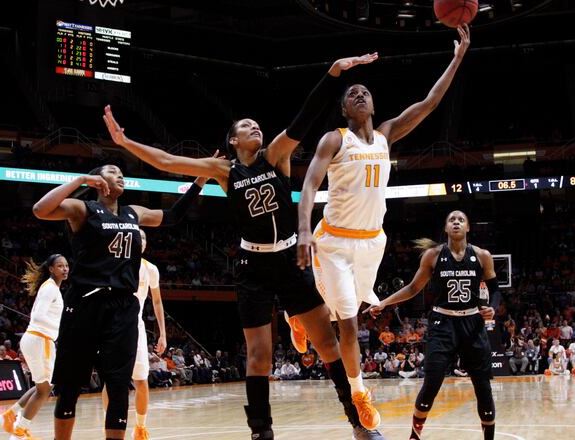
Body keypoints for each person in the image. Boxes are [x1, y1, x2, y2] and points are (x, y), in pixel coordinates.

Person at [102, 53, 386, 440]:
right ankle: (261, 431)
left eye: (257, 124)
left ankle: (357, 424)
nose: (256, 128)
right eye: (246, 126)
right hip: (252, 267)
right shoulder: (224, 171)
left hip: (290, 259)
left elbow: (305, 115)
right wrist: (124, 142)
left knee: (327, 343)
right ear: (233, 141)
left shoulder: (276, 155)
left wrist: (333, 74)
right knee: (259, 355)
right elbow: (168, 161)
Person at [297, 25, 471, 432]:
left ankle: (298, 315)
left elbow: (429, 102)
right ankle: (359, 392)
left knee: (347, 311)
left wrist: (458, 57)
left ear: (373, 104)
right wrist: (304, 230)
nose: (359, 94)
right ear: (344, 109)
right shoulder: (334, 140)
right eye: (351, 93)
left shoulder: (385, 136)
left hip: (372, 243)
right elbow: (308, 184)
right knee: (348, 322)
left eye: (365, 92)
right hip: (335, 241)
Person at [32, 163, 202, 440]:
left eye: (122, 171)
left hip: (123, 307)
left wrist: (199, 182)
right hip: (86, 304)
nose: (120, 174)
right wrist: (80, 179)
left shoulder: (133, 213)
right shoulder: (83, 209)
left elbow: (172, 216)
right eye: (113, 170)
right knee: (71, 386)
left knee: (119, 385)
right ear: (99, 179)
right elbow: (40, 209)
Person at [366, 209, 501, 440]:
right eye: (452, 220)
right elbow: (412, 288)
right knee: (431, 383)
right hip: (442, 322)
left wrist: (493, 307)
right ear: (446, 228)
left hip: (472, 323)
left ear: (467, 227)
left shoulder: (482, 256)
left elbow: (495, 289)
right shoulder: (433, 255)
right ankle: (414, 436)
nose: (456, 222)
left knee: (483, 387)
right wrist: (384, 303)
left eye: (461, 220)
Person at [102, 229, 169, 439]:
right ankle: (110, 423)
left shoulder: (151, 269)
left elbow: (157, 302)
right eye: (137, 238)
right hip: (112, 326)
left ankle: (140, 428)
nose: (140, 241)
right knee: (110, 381)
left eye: (143, 239)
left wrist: (162, 334)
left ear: (146, 244)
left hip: (136, 328)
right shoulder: (115, 262)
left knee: (141, 380)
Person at [0, 254, 68, 440]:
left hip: (36, 339)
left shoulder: (50, 288)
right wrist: (61, 328)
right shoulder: (51, 289)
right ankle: (20, 428)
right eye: (60, 266)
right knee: (45, 389)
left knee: (42, 386)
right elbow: (37, 317)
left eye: (66, 265)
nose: (65, 269)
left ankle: (10, 415)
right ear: (51, 269)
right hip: (39, 339)